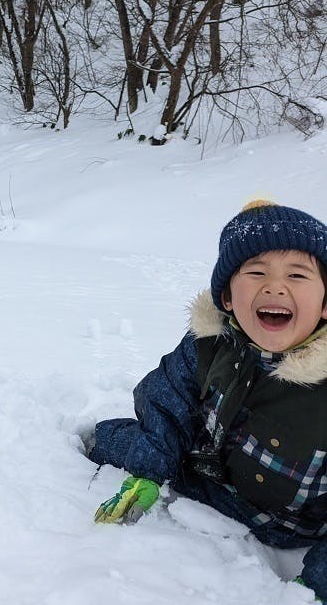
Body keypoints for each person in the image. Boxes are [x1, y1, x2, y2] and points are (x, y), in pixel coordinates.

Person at [88, 201, 327, 599]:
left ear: (325, 304)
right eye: (256, 272)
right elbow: (167, 402)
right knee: (109, 437)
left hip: (302, 523)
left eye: (297, 275)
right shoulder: (210, 343)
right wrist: (148, 472)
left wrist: (318, 584)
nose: (275, 286)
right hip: (215, 483)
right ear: (228, 297)